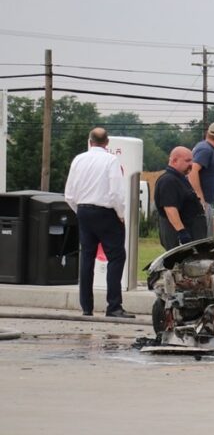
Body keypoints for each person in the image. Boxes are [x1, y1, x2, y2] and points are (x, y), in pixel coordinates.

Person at [63, 128, 133, 318]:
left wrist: (80, 211)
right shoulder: (111, 160)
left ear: (90, 141)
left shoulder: (78, 159)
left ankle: (87, 307)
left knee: (87, 258)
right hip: (106, 212)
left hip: (84, 211)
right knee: (116, 257)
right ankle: (114, 306)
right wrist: (120, 213)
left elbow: (69, 194)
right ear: (107, 142)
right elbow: (116, 192)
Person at [154, 146, 207, 251]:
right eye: (187, 160)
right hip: (181, 237)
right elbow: (170, 208)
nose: (191, 164)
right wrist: (182, 233)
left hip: (193, 232)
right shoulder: (168, 181)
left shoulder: (180, 179)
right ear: (174, 161)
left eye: (192, 160)